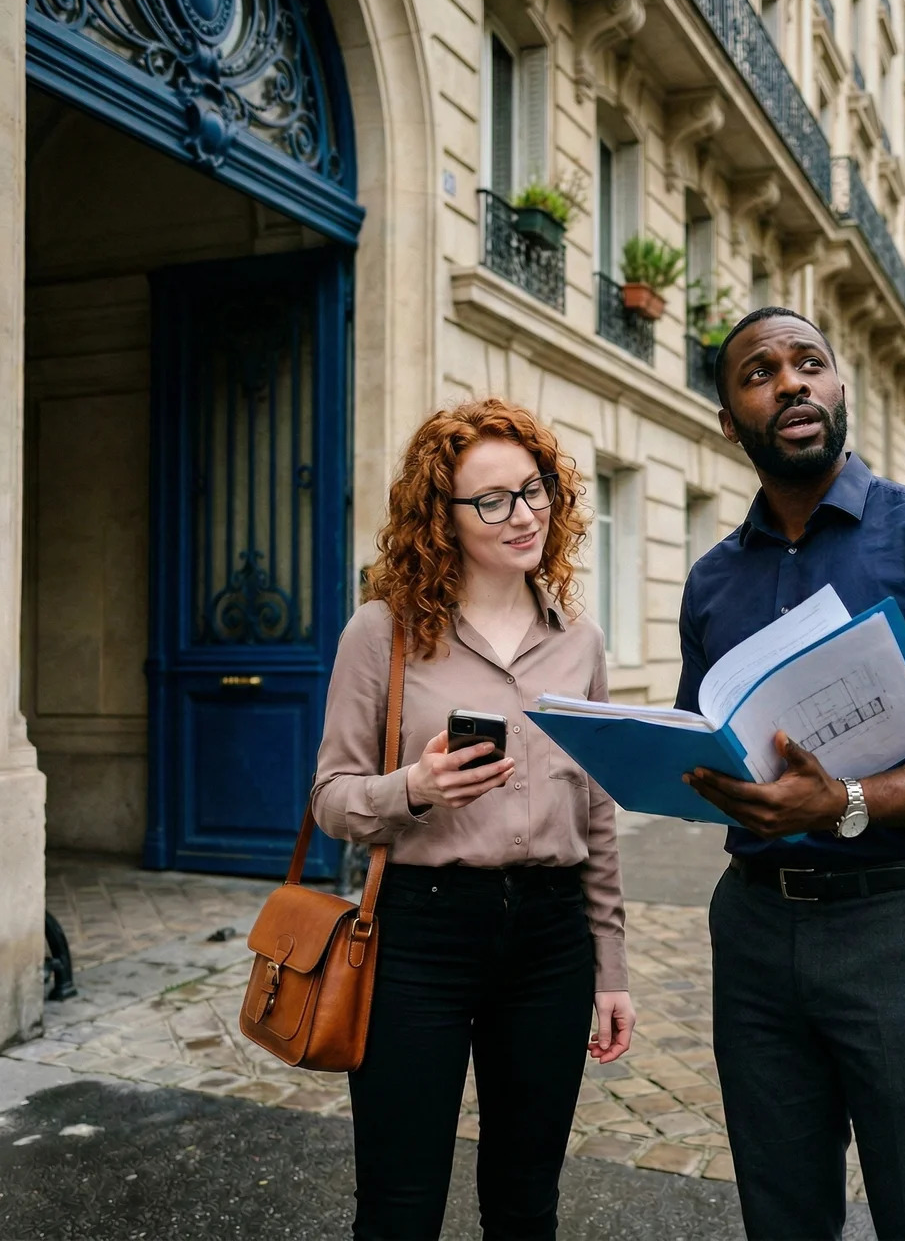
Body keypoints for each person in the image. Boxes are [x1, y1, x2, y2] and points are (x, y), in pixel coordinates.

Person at [676, 307, 905, 1241]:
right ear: (729, 419)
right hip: (753, 928)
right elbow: (699, 730)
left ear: (839, 389)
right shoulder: (712, 581)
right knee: (782, 1214)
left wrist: (846, 799)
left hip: (899, 925)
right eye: (759, 373)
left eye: (810, 364)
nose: (791, 382)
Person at [312, 399, 634, 1241]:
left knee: (528, 1201)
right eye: (492, 500)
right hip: (420, 934)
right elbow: (332, 797)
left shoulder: (581, 641)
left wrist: (611, 966)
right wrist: (412, 788)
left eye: (534, 490)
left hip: (552, 941)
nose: (524, 515)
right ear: (440, 517)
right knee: (400, 1200)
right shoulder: (381, 633)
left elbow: (597, 815)